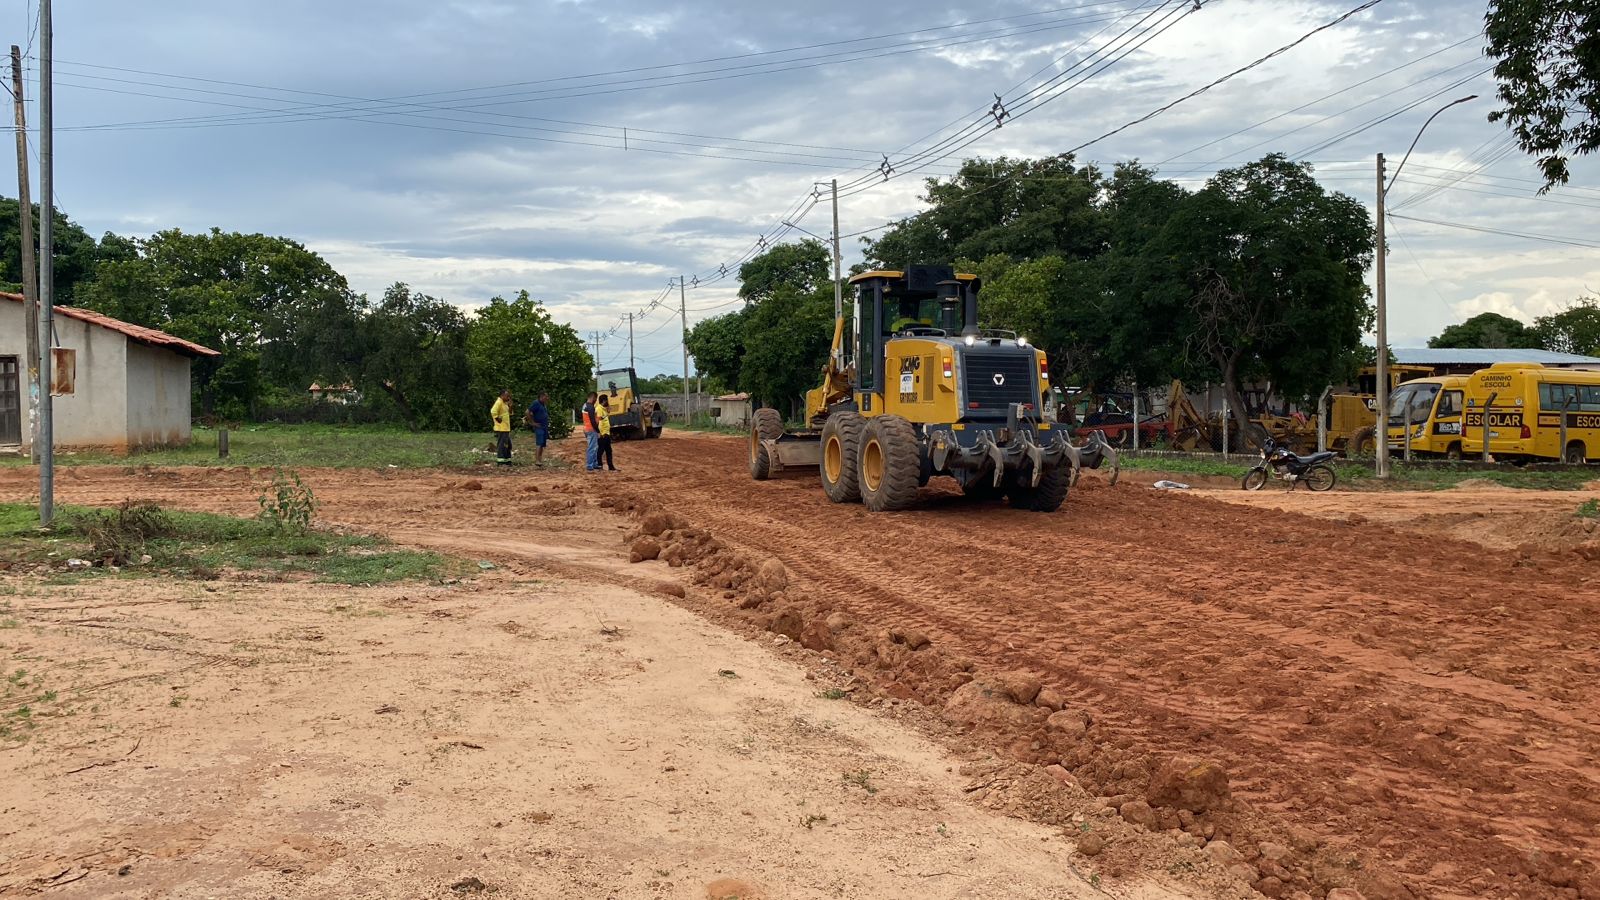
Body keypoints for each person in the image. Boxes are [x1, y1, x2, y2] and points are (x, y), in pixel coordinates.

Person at [525, 392, 551, 466]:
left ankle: (540, 460)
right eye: (546, 397)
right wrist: (532, 423)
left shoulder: (543, 404)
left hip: (544, 427)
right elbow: (527, 412)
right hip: (539, 427)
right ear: (541, 397)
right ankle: (537, 460)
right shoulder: (536, 403)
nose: (547, 398)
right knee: (539, 443)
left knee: (542, 444)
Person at [490, 389, 514, 465]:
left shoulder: (505, 403)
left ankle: (507, 460)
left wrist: (510, 406)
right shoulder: (499, 402)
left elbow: (510, 413)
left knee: (508, 445)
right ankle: (500, 461)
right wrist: (497, 419)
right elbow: (493, 411)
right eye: (507, 396)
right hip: (501, 428)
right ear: (502, 395)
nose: (508, 398)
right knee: (502, 445)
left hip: (506, 428)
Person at [595, 393, 617, 471]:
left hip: (606, 432)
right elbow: (599, 421)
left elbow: (605, 416)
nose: (608, 402)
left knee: (608, 450)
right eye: (607, 400)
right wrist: (600, 433)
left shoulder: (603, 408)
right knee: (601, 450)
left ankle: (610, 466)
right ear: (604, 401)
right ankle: (599, 465)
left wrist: (608, 410)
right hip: (603, 433)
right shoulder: (599, 409)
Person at [582, 392, 600, 471]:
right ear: (593, 398)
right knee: (592, 448)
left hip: (586, 429)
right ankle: (590, 465)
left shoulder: (585, 405)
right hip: (591, 429)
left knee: (594, 447)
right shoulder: (590, 407)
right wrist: (598, 431)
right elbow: (593, 421)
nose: (596, 401)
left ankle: (594, 464)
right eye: (596, 399)